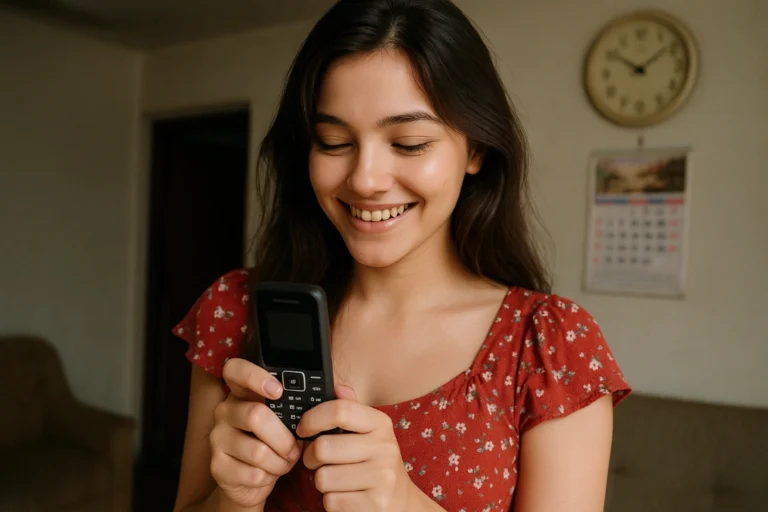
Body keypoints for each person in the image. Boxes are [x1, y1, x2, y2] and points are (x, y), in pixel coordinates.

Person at [171, 0, 632, 511]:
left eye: (409, 143)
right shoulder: (233, 310)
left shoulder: (550, 345)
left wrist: (403, 502)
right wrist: (234, 498)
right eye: (334, 141)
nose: (365, 179)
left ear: (476, 149)